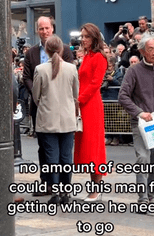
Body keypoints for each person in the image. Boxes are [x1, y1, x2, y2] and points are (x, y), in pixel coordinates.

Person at [118, 32, 154, 209]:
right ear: (142, 51)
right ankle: (142, 197)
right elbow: (123, 95)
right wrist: (139, 113)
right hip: (140, 122)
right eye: (150, 49)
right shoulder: (133, 71)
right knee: (143, 158)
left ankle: (151, 194)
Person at [22, 16, 75, 196]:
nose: (44, 31)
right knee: (44, 148)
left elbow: (71, 85)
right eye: (41, 28)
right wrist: (41, 97)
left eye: (47, 28)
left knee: (62, 152)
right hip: (41, 109)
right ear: (37, 30)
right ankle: (48, 184)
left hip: (62, 110)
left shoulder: (66, 50)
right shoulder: (31, 53)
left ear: (52, 28)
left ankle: (61, 186)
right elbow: (27, 78)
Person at [33, 35, 79, 205]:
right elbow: (75, 94)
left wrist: (44, 104)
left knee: (51, 157)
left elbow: (36, 95)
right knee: (66, 157)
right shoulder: (71, 68)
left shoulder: (40, 69)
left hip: (47, 118)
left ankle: (54, 192)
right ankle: (66, 192)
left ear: (46, 50)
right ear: (61, 49)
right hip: (67, 118)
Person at [74, 23, 109, 202]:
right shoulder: (87, 56)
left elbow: (96, 83)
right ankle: (93, 188)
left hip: (91, 105)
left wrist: (79, 100)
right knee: (87, 147)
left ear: (94, 38)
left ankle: (96, 189)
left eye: (86, 36)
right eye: (82, 36)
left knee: (93, 147)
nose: (83, 39)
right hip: (83, 103)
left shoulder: (99, 57)